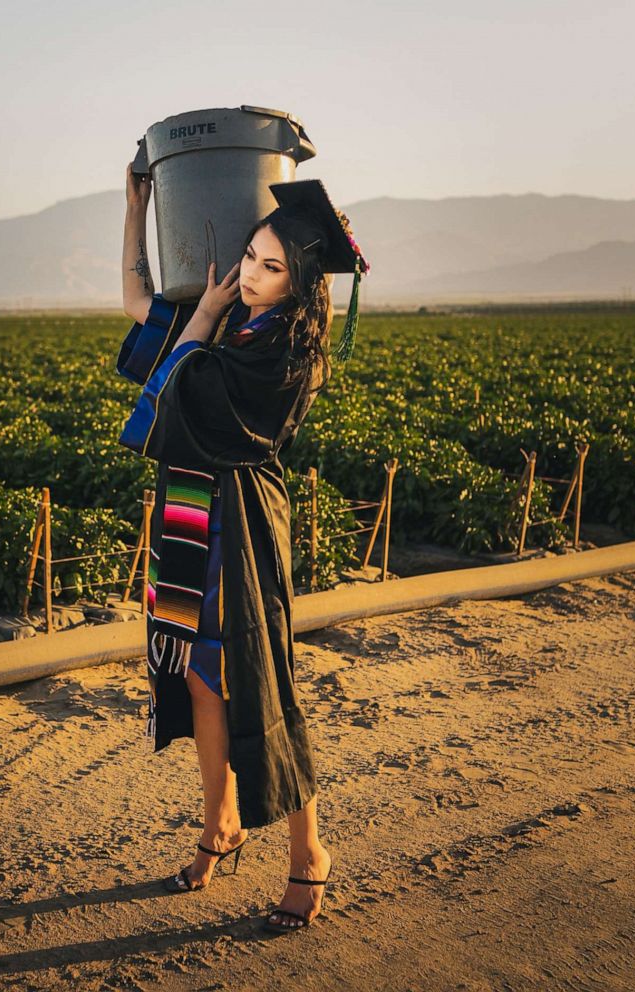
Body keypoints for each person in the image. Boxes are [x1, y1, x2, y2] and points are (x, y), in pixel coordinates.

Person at [116, 162, 368, 933]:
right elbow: (137, 310)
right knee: (198, 676)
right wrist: (138, 208)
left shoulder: (286, 356)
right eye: (250, 258)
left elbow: (183, 375)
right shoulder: (233, 321)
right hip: (190, 513)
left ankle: (309, 853)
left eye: (271, 267)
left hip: (242, 522)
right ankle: (219, 826)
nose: (251, 277)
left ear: (300, 284)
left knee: (260, 682)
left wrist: (203, 317)